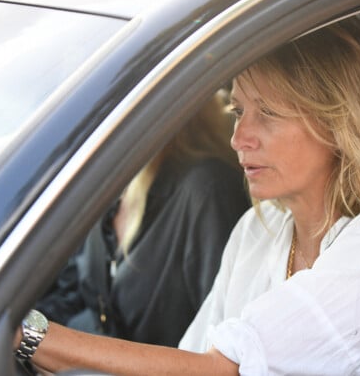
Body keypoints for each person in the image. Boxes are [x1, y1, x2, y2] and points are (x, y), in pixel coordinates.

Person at [15, 17, 360, 375]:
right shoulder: (259, 229)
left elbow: (221, 371)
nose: (239, 137)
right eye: (238, 111)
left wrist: (25, 336)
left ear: (337, 125)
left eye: (267, 114)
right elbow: (193, 355)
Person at [34, 92, 251, 347]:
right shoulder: (111, 187)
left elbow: (221, 344)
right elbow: (75, 294)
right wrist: (25, 336)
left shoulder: (207, 190)